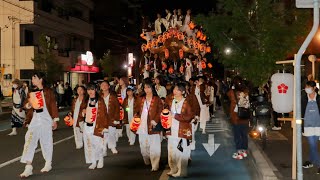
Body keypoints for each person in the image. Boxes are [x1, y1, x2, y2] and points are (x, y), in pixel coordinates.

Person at [20, 72, 59, 178]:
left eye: (34, 78)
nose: (32, 80)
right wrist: (28, 105)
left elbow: (52, 104)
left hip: (46, 119)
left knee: (46, 142)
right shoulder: (31, 92)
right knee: (29, 139)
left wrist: (55, 120)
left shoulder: (48, 91)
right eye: (32, 78)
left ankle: (48, 163)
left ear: (40, 79)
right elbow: (25, 104)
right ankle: (28, 167)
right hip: (35, 119)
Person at [165, 83, 193, 177]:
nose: (175, 91)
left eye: (177, 90)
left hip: (181, 130)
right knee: (171, 151)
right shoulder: (171, 101)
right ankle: (173, 169)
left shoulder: (186, 102)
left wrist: (176, 116)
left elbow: (189, 116)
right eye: (174, 89)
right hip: (171, 130)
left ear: (183, 92)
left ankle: (182, 172)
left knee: (181, 151)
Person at [136, 80, 163, 171]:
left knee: (155, 146)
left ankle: (155, 165)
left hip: (153, 126)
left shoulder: (157, 99)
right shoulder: (140, 98)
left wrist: (155, 120)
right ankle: (147, 159)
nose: (146, 89)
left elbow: (160, 110)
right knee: (143, 147)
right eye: (145, 87)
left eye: (148, 87)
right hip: (142, 126)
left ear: (152, 88)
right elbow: (136, 110)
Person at [81, 83, 108, 169]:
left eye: (92, 89)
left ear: (95, 90)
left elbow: (104, 113)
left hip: (96, 125)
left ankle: (100, 159)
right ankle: (93, 161)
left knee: (97, 144)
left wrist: (104, 126)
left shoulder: (100, 100)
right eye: (88, 90)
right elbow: (82, 111)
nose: (90, 92)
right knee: (89, 144)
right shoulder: (86, 100)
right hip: (87, 125)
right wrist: (83, 112)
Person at [227, 76, 250, 160]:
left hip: (236, 116)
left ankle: (239, 152)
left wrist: (231, 87)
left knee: (237, 134)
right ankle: (244, 151)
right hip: (245, 115)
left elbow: (229, 96)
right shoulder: (246, 91)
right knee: (244, 134)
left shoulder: (232, 92)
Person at [302, 81, 320, 174]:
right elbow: (301, 111)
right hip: (307, 126)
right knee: (312, 145)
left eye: (308, 87)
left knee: (313, 146)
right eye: (306, 87)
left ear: (313, 88)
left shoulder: (319, 98)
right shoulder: (304, 98)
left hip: (318, 126)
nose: (306, 89)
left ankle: (310, 161)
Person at [100, 81, 120, 155]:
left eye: (105, 85)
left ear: (108, 86)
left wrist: (116, 119)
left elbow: (117, 108)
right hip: (102, 119)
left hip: (111, 118)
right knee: (103, 135)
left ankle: (112, 147)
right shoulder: (99, 97)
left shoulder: (113, 97)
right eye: (102, 85)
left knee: (111, 133)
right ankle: (103, 149)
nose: (104, 86)